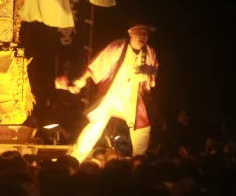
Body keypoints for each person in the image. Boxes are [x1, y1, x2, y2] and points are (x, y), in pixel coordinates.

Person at [56, 21, 159, 162]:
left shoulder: (149, 52)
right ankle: (75, 158)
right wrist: (82, 80)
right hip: (112, 94)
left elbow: (154, 68)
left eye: (145, 33)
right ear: (130, 32)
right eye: (139, 32)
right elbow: (99, 63)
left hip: (131, 97)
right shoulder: (118, 46)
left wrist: (148, 72)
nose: (143, 36)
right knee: (96, 126)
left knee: (142, 129)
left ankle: (138, 161)